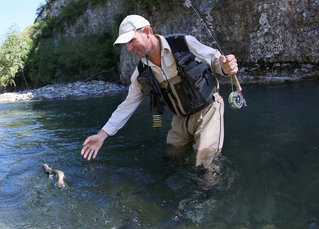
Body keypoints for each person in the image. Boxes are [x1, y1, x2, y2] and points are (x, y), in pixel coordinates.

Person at [81, 15, 239, 168]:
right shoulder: (141, 73)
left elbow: (216, 61)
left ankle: (207, 193)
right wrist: (102, 135)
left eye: (131, 40)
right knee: (170, 160)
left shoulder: (184, 43)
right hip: (180, 118)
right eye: (126, 44)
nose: (129, 48)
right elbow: (126, 106)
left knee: (204, 166)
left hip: (208, 111)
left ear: (147, 32)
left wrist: (225, 67)